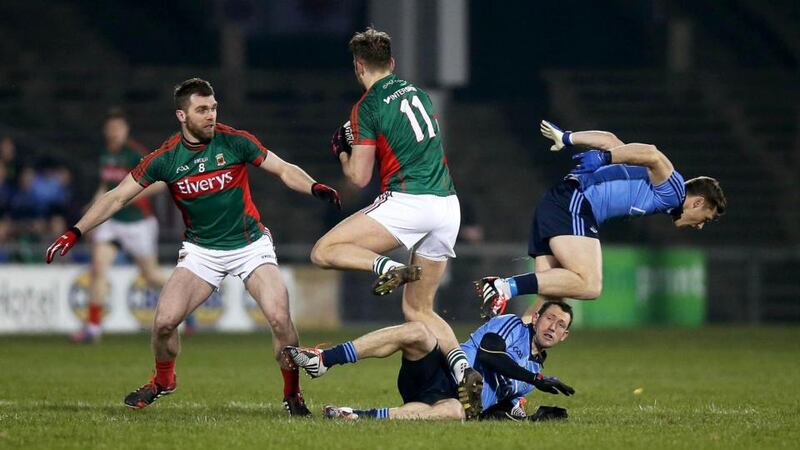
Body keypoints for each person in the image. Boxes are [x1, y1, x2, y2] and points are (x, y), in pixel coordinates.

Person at [45, 78, 342, 416]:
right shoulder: (165, 158)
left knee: (279, 320)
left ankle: (293, 394)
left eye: (213, 108)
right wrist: (74, 232)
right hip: (202, 251)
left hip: (250, 245)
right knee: (163, 324)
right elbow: (116, 197)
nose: (211, 115)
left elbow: (283, 170)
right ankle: (163, 381)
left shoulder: (235, 141)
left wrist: (314, 186)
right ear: (181, 116)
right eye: (202, 109)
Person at [307, 27, 483, 418]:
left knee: (323, 251)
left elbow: (357, 177)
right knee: (419, 309)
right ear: (393, 63)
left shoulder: (367, 107)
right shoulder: (417, 93)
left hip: (409, 200)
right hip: (447, 206)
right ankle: (462, 368)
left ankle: (388, 265)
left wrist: (342, 149)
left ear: (358, 67)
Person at [476, 120, 727, 319]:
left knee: (549, 303)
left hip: (556, 203)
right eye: (705, 217)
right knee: (590, 284)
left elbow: (608, 140)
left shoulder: (642, 173)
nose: (700, 225)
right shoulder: (674, 191)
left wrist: (567, 138)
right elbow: (652, 153)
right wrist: (603, 158)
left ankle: (501, 354)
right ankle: (504, 286)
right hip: (574, 203)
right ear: (698, 202)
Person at [284, 301, 574, 421]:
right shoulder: (511, 326)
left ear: (564, 337)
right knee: (418, 331)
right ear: (536, 318)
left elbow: (499, 411)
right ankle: (325, 359)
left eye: (561, 325)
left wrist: (532, 418)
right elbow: (490, 354)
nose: (553, 327)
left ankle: (356, 416)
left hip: (446, 401)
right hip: (441, 373)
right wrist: (534, 379)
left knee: (454, 414)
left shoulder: (534, 376)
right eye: (549, 318)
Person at [71, 109, 168, 343]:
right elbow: (106, 185)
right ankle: (93, 328)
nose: (114, 133)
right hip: (112, 222)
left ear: (126, 131)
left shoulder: (135, 154)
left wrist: (128, 197)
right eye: (111, 128)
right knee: (98, 267)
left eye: (118, 128)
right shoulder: (106, 153)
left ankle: (188, 296)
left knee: (151, 275)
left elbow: (162, 183)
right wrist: (94, 209)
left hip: (138, 223)